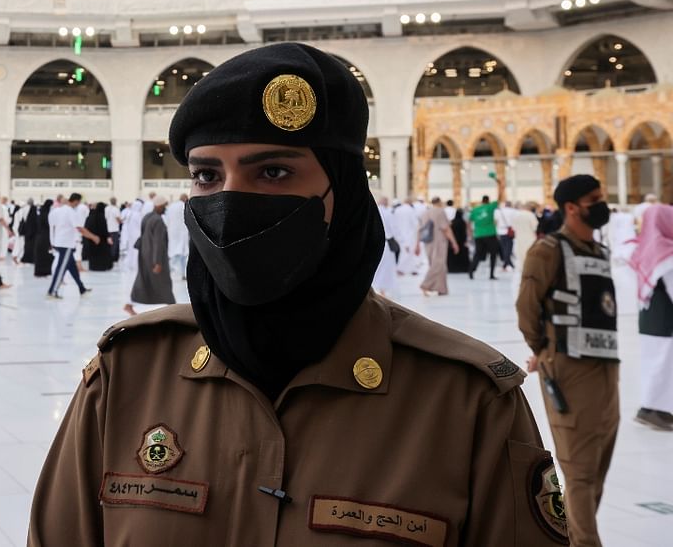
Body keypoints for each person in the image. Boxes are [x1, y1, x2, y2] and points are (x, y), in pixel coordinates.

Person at [30, 42, 566, 546]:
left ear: (345, 192)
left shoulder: (462, 403)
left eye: (274, 171)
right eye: (206, 175)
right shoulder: (127, 378)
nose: (231, 199)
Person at [517, 174, 617, 547]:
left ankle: (575, 538)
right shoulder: (548, 251)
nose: (601, 204)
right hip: (569, 371)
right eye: (594, 198)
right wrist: (545, 352)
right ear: (572, 207)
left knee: (596, 471)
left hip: (606, 370)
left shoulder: (598, 252)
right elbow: (527, 309)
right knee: (577, 472)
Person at [630, 204, 673, 431]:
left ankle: (655, 409)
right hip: (665, 321)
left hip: (649, 319)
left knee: (655, 365)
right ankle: (652, 410)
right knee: (663, 366)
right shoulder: (666, 252)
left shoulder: (646, 248)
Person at [123, 195, 174, 316]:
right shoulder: (158, 220)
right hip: (155, 257)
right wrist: (158, 262)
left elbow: (142, 237)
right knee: (164, 281)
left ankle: (129, 305)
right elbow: (158, 242)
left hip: (145, 254)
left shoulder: (147, 217)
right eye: (164, 206)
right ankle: (172, 307)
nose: (165, 208)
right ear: (160, 206)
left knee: (143, 279)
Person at [46, 192, 97, 299]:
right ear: (76, 201)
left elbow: (52, 227)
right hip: (66, 244)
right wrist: (93, 237)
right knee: (61, 268)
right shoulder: (70, 211)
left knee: (72, 267)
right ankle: (52, 291)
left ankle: (81, 289)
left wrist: (52, 241)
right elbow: (79, 228)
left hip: (59, 242)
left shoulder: (57, 210)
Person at [417, 196, 460, 296]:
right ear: (439, 202)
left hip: (428, 242)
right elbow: (446, 229)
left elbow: (419, 229)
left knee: (438, 265)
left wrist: (417, 244)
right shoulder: (440, 212)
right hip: (439, 241)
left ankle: (441, 289)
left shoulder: (425, 213)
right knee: (438, 265)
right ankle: (425, 284)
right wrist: (454, 242)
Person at [468, 181, 506, 280]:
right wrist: (500, 186)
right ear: (488, 200)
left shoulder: (475, 210)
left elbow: (469, 221)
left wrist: (470, 233)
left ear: (482, 201)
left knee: (477, 254)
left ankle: (472, 270)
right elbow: (500, 198)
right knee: (493, 254)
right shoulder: (490, 207)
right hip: (490, 234)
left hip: (478, 235)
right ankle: (491, 274)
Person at [371, 196, 397, 297]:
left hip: (375, 242)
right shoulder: (387, 212)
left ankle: (378, 289)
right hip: (386, 242)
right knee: (385, 267)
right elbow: (392, 228)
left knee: (378, 266)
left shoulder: (374, 211)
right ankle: (382, 290)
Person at [390, 198, 421, 275]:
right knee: (408, 251)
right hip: (410, 234)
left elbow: (393, 222)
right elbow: (416, 224)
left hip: (399, 233)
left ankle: (411, 269)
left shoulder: (397, 210)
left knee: (404, 251)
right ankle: (401, 269)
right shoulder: (411, 210)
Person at [82, 202, 113, 271]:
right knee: (102, 253)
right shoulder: (101, 217)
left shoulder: (90, 216)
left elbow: (86, 227)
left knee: (93, 254)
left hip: (91, 239)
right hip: (101, 239)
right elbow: (103, 229)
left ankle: (93, 266)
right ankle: (102, 266)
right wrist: (107, 236)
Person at [165, 194, 189, 278]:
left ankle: (170, 272)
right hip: (182, 232)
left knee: (172, 252)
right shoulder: (184, 206)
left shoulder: (171, 206)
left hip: (172, 232)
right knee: (184, 254)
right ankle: (183, 274)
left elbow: (167, 219)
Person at [33, 199, 54, 277]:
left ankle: (40, 272)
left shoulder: (41, 212)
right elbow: (48, 224)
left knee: (41, 255)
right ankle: (45, 271)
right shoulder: (46, 214)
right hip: (45, 237)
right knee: (46, 255)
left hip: (39, 237)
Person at [448, 206, 471, 273]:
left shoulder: (452, 222)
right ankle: (462, 268)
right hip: (461, 241)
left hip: (454, 241)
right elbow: (465, 232)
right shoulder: (463, 222)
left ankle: (452, 268)